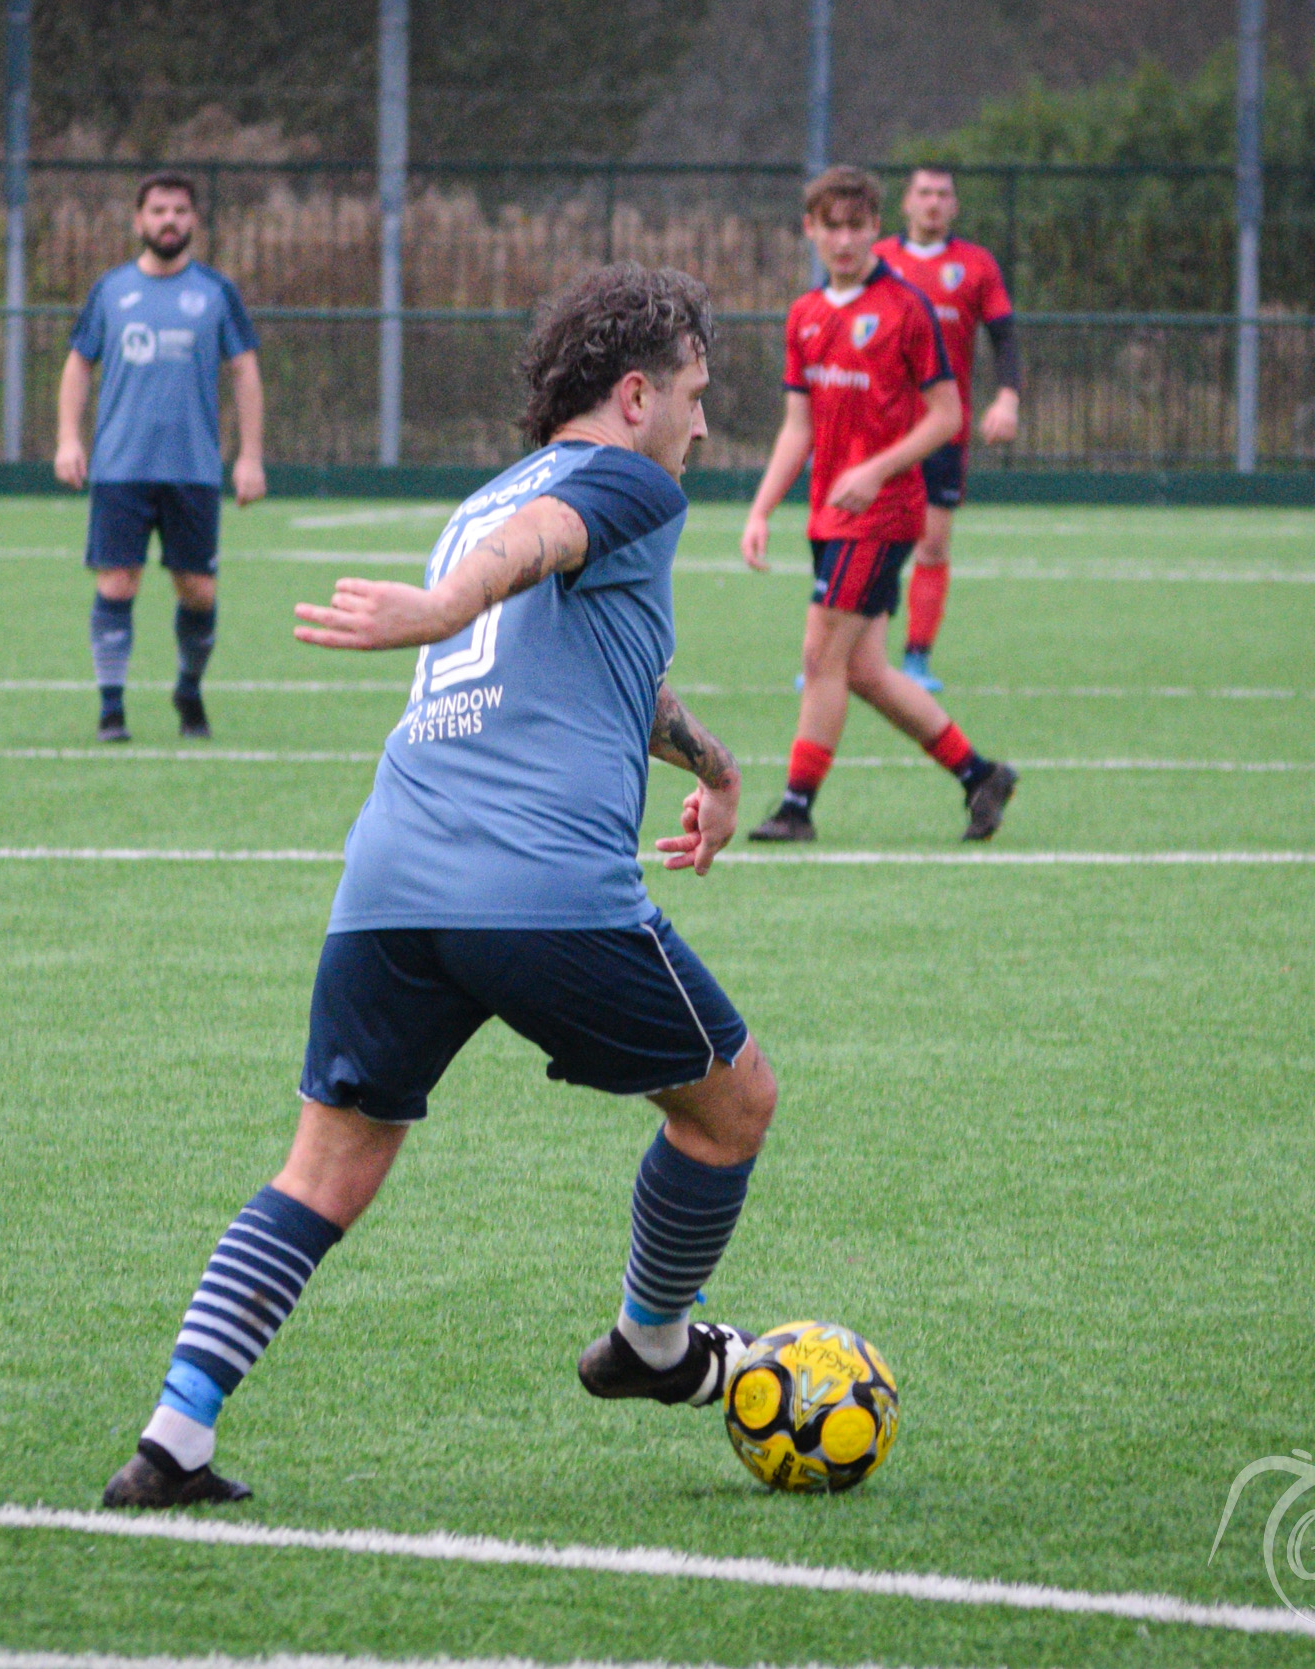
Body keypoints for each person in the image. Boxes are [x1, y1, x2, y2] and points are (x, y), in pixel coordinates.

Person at [101, 264, 774, 1510]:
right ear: (635, 396)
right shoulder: (624, 480)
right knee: (731, 1106)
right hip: (540, 891)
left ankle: (171, 1438)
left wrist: (716, 767)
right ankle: (654, 1343)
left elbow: (607, 660)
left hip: (390, 883)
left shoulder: (482, 497)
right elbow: (538, 552)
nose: (702, 422)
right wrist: (444, 606)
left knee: (325, 1169)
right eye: (693, 393)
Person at [740, 167, 1017, 845]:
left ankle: (796, 807)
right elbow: (797, 426)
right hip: (829, 515)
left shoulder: (904, 310)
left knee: (819, 654)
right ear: (810, 229)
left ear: (874, 230)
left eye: (855, 226)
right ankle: (978, 774)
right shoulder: (805, 315)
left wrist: (877, 468)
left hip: (885, 512)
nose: (842, 239)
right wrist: (761, 507)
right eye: (829, 226)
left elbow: (947, 416)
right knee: (861, 669)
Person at [55, 172, 265, 743]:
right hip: (120, 467)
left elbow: (244, 368)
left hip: (193, 468)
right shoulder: (111, 290)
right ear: (138, 220)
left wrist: (250, 456)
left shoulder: (216, 293)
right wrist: (69, 440)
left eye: (178, 211)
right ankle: (111, 708)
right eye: (157, 211)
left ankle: (188, 689)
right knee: (117, 583)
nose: (168, 220)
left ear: (193, 221)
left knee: (197, 590)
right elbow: (78, 362)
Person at [873, 165, 1023, 691]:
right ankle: (842, 652)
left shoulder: (975, 265)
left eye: (943, 194)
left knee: (932, 545)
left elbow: (1004, 338)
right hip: (879, 427)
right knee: (865, 539)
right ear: (906, 204)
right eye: (924, 193)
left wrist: (1007, 396)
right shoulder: (878, 261)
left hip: (942, 429)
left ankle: (916, 659)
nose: (933, 202)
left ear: (954, 206)